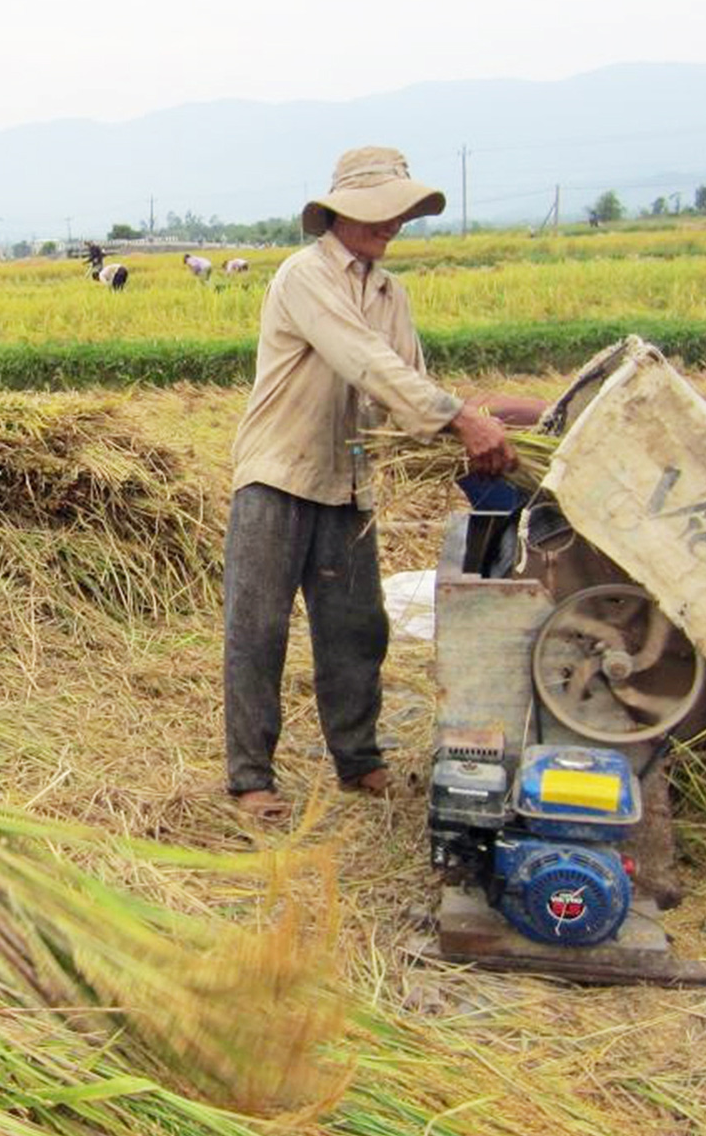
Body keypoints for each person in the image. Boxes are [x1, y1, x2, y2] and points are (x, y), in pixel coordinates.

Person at [222, 146, 545, 821]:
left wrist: (477, 423)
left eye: (400, 213)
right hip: (279, 473)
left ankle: (358, 758)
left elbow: (405, 381)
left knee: (358, 627)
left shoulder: (391, 293)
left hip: (348, 481)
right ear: (341, 212)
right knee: (259, 629)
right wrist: (458, 416)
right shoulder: (303, 276)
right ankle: (252, 776)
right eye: (381, 212)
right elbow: (365, 361)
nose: (392, 225)